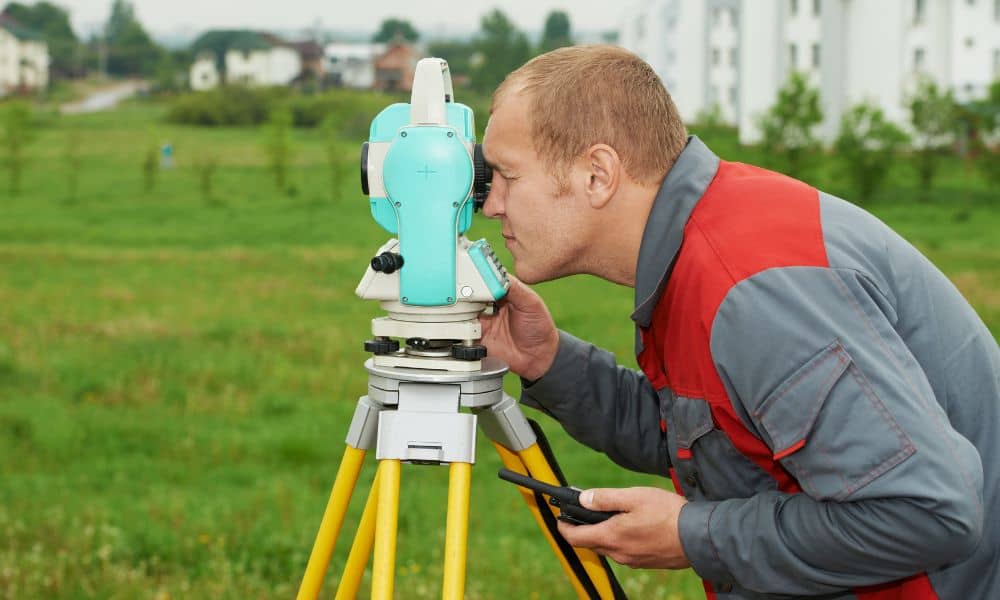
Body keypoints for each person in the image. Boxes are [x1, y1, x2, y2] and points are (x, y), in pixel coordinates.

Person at [478, 45, 998, 599]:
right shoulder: (697, 246)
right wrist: (549, 362)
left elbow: (928, 512)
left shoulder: (752, 288)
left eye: (507, 176)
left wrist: (693, 536)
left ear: (597, 174)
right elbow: (720, 442)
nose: (492, 205)